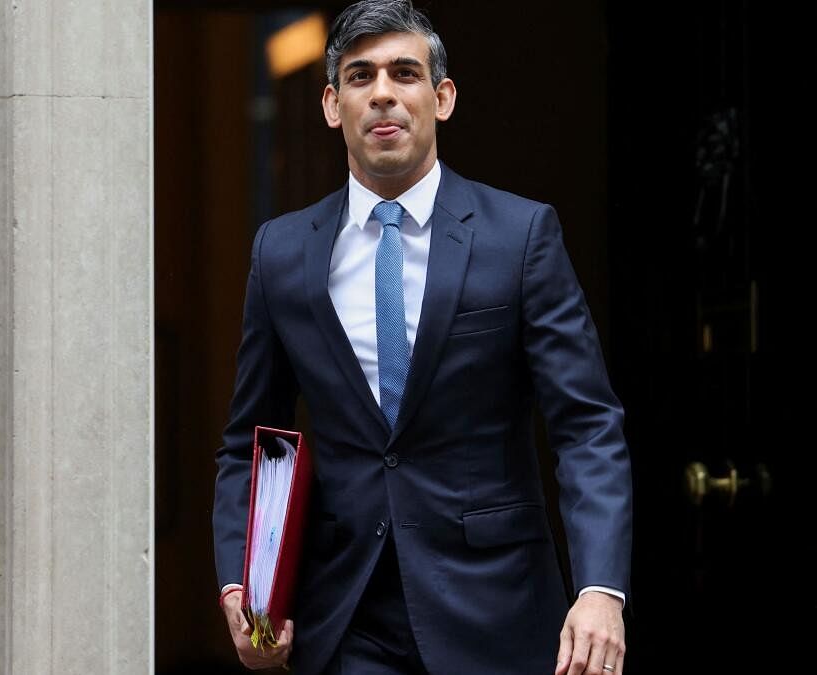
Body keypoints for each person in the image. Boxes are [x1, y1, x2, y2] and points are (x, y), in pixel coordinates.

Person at [211, 2, 631, 673]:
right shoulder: (282, 253)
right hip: (345, 617)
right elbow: (251, 444)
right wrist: (245, 585)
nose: (382, 93)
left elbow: (586, 426)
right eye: (360, 75)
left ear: (442, 98)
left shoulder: (520, 237)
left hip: (497, 609)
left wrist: (601, 590)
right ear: (331, 103)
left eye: (405, 73)